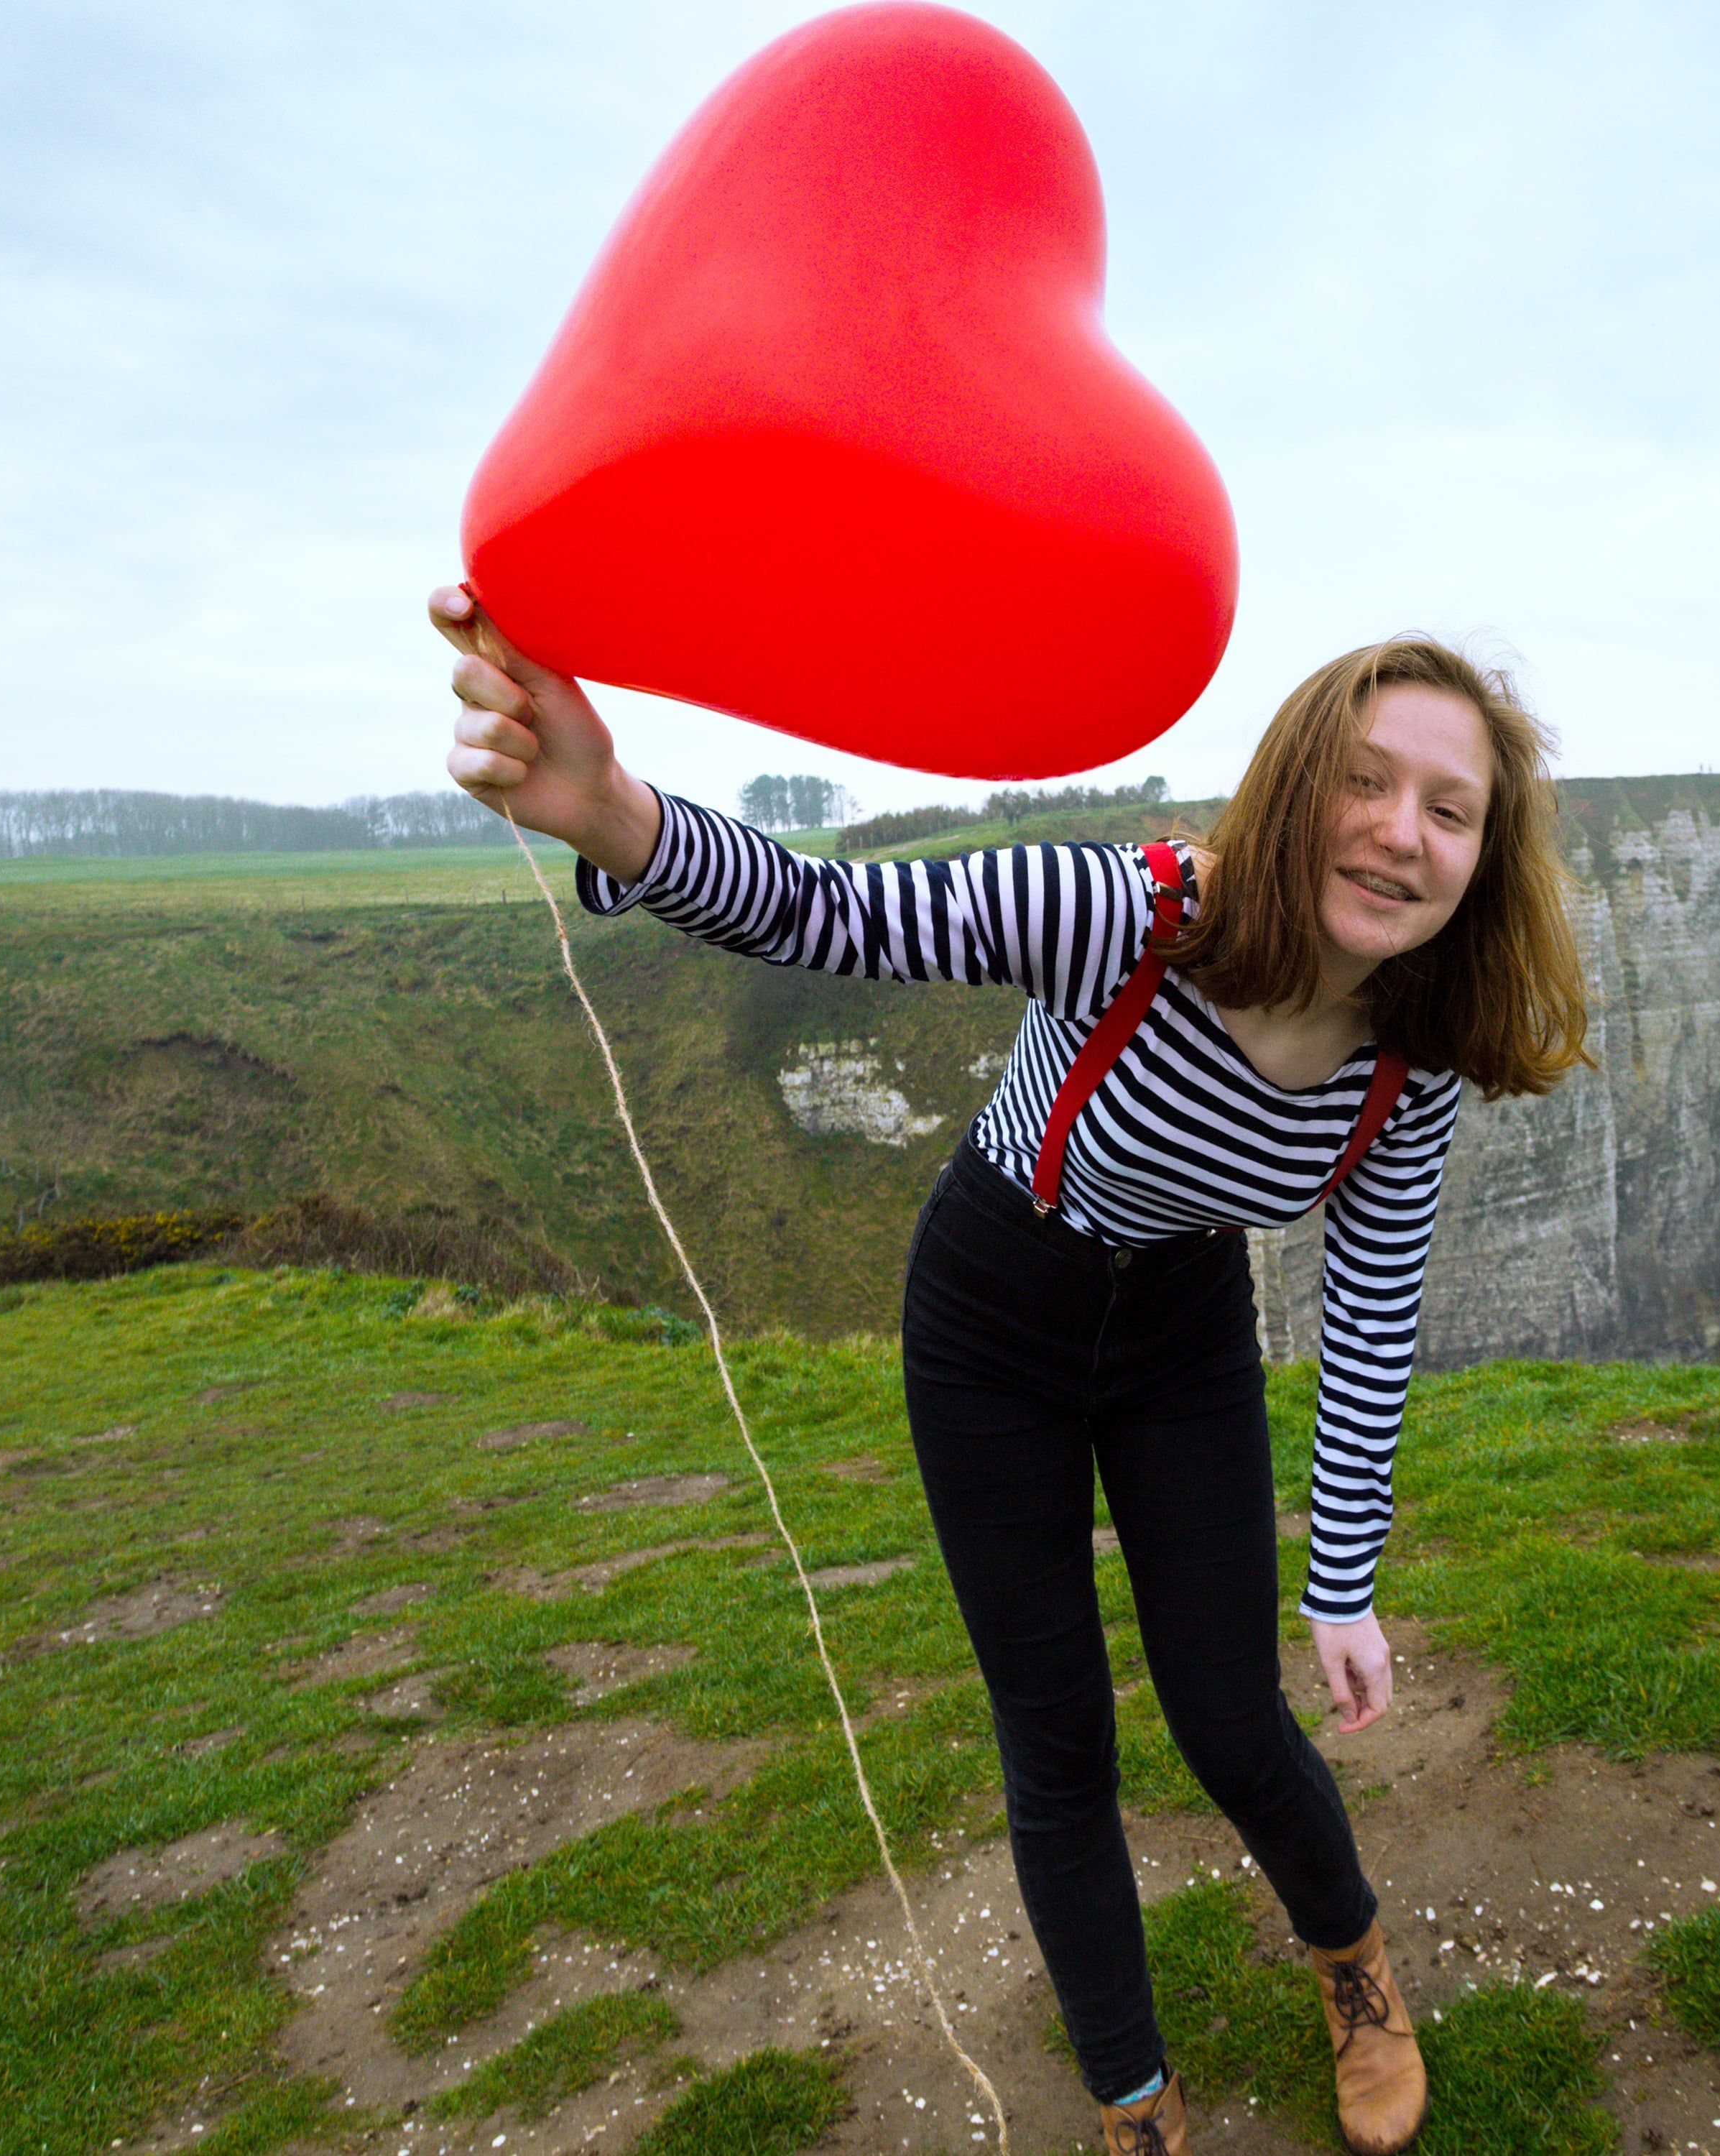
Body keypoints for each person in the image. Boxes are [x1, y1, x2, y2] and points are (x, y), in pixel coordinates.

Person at [435, 586, 1591, 2156]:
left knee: (1231, 1718)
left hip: (1180, 1328)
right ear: (1293, 785)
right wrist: (610, 814)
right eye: (1366, 782)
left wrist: (1345, 1586)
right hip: (994, 1316)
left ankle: (1356, 1972)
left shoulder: (1415, 1051)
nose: (1401, 833)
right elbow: (831, 915)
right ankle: (1132, 2097)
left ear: (1484, 858)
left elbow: (1373, 1311)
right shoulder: (1126, 913)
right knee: (1056, 1740)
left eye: (1450, 811)